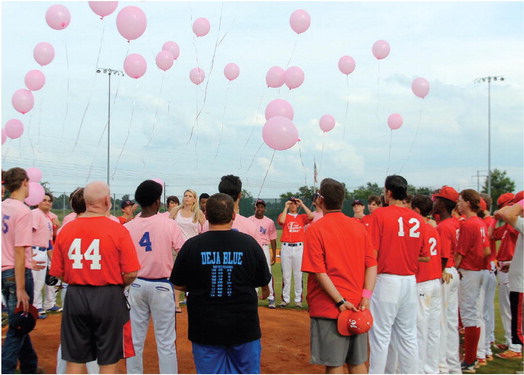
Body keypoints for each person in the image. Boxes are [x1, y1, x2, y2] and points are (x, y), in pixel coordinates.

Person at [170, 193, 271, 374]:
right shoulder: (249, 244)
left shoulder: (192, 246)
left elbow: (178, 283)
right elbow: (262, 280)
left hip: (205, 329)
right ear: (233, 215)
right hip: (244, 328)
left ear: (206, 215)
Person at [50, 181, 140, 374]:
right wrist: (118, 285)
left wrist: (78, 277)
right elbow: (132, 272)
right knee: (108, 361)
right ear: (107, 201)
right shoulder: (117, 229)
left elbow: (58, 271)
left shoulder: (66, 230)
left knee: (74, 360)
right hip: (108, 294)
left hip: (75, 294)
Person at [302, 178, 377, 374]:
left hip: (330, 306)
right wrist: (366, 297)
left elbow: (319, 271)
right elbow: (372, 265)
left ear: (320, 200)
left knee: (334, 364)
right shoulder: (358, 226)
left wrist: (339, 300)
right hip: (357, 305)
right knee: (357, 361)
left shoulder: (316, 229)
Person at [368, 175, 429, 374]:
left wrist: (365, 291)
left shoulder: (380, 215)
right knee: (408, 335)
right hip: (410, 281)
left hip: (387, 280)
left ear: (389, 193)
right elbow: (424, 256)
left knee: (380, 336)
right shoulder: (418, 219)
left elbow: (372, 255)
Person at [125, 180, 185, 374]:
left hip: (135, 285)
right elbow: (184, 251)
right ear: (157, 202)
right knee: (166, 341)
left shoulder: (128, 226)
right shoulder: (169, 224)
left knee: (135, 340)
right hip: (162, 285)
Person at [1, 167, 40, 374]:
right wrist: (21, 287)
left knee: (20, 322)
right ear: (24, 182)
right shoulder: (23, 211)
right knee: (18, 329)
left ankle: (29, 366)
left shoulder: (3, 206)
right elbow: (18, 250)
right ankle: (5, 369)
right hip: (17, 274)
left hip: (4, 272)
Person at [455, 189, 491, 373]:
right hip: (479, 270)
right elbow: (486, 251)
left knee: (469, 315)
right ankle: (474, 357)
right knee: (475, 315)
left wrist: (453, 269)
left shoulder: (469, 224)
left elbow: (460, 253)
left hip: (469, 271)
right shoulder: (480, 222)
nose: (458, 203)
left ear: (469, 202)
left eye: (461, 200)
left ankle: (469, 360)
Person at [411, 195, 442, 374]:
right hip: (435, 281)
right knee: (433, 329)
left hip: (422, 282)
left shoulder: (419, 228)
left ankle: (420, 369)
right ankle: (431, 368)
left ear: (416, 210)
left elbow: (421, 256)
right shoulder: (433, 228)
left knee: (420, 329)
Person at [432, 186, 462, 374]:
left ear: (442, 203)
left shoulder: (443, 226)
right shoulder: (457, 222)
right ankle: (453, 367)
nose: (433, 202)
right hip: (453, 271)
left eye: (436, 199)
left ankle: (442, 367)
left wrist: (441, 271)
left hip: (445, 273)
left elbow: (442, 257)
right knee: (450, 322)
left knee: (441, 322)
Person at [490, 192, 522, 358]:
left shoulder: (516, 224)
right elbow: (492, 235)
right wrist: (495, 219)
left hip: (513, 270)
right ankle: (512, 342)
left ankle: (515, 347)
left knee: (510, 310)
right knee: (509, 309)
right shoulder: (509, 226)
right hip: (508, 267)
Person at [277, 196, 314, 308]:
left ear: (297, 205)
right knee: (286, 275)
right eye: (291, 203)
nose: (293, 205)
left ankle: (298, 300)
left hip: (298, 247)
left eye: (295, 203)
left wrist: (302, 204)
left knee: (298, 274)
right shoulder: (284, 215)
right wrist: (285, 207)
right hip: (286, 247)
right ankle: (285, 299)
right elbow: (282, 221)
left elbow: (311, 216)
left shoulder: (302, 217)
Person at [249, 199, 278, 308]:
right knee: (251, 270)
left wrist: (274, 254)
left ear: (264, 208)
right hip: (253, 247)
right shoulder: (249, 220)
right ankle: (253, 296)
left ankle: (271, 298)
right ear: (254, 208)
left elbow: (273, 238)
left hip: (265, 247)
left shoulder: (269, 221)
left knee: (267, 272)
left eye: (262, 207)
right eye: (258, 206)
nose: (260, 209)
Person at [31, 192, 55, 319]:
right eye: (44, 200)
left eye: (49, 200)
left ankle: (38, 306)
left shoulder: (47, 219)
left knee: (40, 281)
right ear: (38, 202)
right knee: (33, 281)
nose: (47, 202)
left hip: (44, 251)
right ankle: (32, 308)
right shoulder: (35, 214)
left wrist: (53, 260)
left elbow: (49, 241)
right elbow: (28, 232)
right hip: (34, 250)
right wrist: (28, 254)